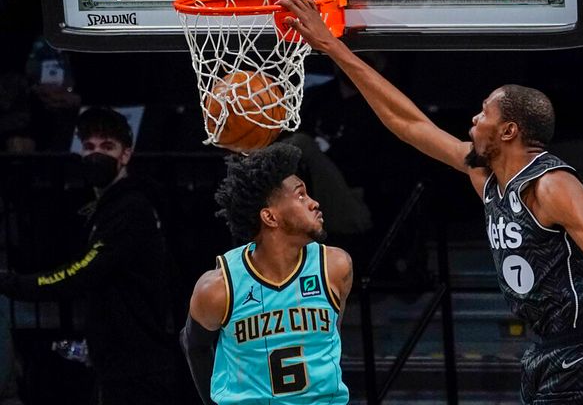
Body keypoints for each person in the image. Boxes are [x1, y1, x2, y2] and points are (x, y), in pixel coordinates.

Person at [278, 0, 583, 405]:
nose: (473, 119)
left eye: (484, 112)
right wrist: (333, 49)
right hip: (547, 350)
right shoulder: (485, 176)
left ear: (509, 132)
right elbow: (408, 122)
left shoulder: (552, 186)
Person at [0, 107, 178, 404]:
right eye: (89, 146)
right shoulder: (106, 209)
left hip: (138, 366)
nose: (96, 154)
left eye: (107, 146)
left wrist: (12, 283)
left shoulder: (131, 209)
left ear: (125, 155)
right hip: (119, 363)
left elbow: (82, 272)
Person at [179, 142, 353, 404]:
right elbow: (195, 347)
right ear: (270, 217)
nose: (314, 203)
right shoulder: (218, 288)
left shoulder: (335, 266)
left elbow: (331, 340)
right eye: (301, 195)